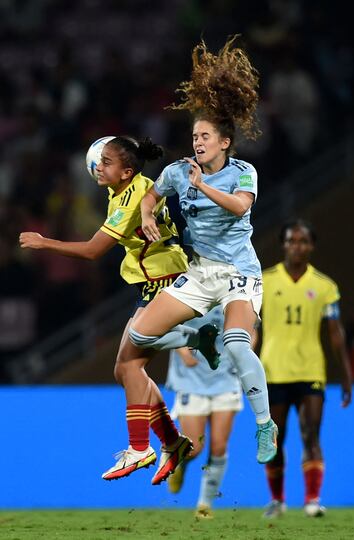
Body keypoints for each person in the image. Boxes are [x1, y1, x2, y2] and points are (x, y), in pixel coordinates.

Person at [128, 36, 278, 465]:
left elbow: (240, 207)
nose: (197, 142)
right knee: (141, 334)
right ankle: (199, 336)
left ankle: (265, 424)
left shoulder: (242, 173)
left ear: (225, 142)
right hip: (199, 273)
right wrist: (148, 215)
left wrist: (200, 186)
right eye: (195, 135)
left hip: (238, 273)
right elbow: (150, 196)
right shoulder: (178, 172)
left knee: (237, 344)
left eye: (206, 136)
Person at [19, 135, 194, 485]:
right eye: (99, 161)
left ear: (126, 171)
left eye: (107, 162)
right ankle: (173, 442)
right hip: (154, 281)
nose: (99, 166)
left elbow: (93, 251)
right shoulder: (127, 188)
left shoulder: (130, 199)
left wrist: (44, 242)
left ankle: (140, 447)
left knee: (130, 365)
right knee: (125, 370)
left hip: (168, 280)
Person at [256, 219, 352, 518]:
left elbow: (335, 334)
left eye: (302, 241)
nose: (297, 246)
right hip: (273, 370)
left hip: (311, 370)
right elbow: (253, 326)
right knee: (276, 439)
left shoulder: (325, 286)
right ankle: (277, 501)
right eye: (291, 241)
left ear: (311, 246)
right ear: (283, 244)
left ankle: (312, 499)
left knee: (311, 434)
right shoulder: (265, 280)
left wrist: (347, 375)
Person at [166, 305, 243, 518]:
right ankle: (179, 463)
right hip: (189, 379)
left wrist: (245, 353)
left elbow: (251, 327)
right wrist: (182, 352)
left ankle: (204, 503)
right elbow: (167, 323)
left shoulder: (236, 290)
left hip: (226, 377)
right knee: (195, 447)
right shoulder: (188, 288)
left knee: (219, 447)